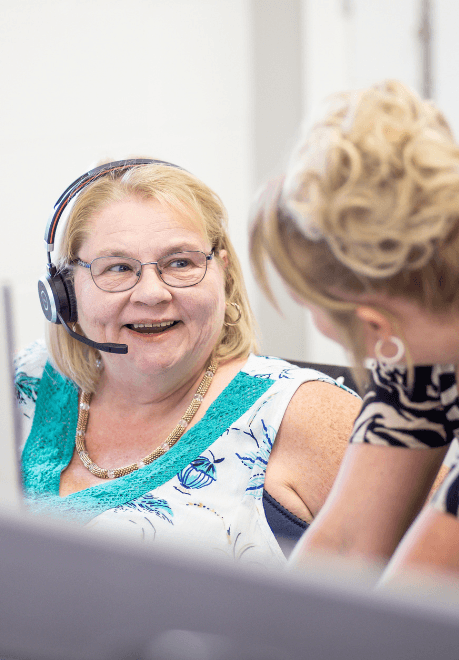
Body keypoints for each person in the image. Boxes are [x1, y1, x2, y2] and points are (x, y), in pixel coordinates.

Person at [15, 158, 360, 568]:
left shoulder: (305, 414)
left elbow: (449, 577)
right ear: (65, 291)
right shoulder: (28, 378)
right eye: (118, 268)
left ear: (223, 273)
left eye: (181, 263)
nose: (152, 293)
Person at [249, 79, 459, 580]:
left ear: (375, 326)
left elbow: (412, 603)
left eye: (308, 305)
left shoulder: (405, 337)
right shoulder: (420, 345)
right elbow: (346, 547)